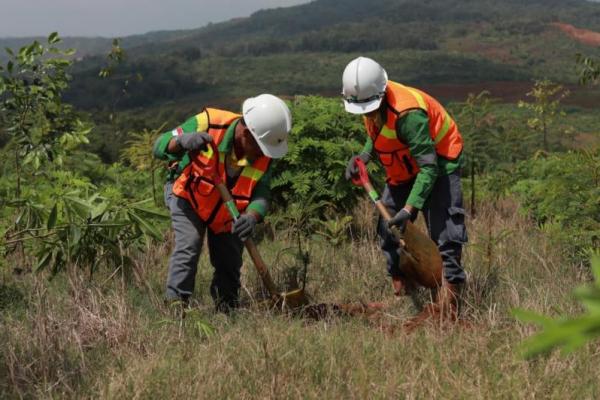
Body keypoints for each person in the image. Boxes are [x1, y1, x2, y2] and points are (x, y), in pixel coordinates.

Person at [342, 57, 468, 317]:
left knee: (446, 230)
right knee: (387, 226)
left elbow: (429, 168)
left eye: (368, 108)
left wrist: (410, 209)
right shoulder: (370, 104)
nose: (366, 114)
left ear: (381, 92)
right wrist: (364, 156)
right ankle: (403, 289)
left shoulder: (408, 113)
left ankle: (450, 302)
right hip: (404, 165)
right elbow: (377, 133)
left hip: (439, 163)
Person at [153, 94, 292, 312]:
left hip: (228, 210)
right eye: (259, 148)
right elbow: (159, 146)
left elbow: (262, 190)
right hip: (188, 196)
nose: (261, 155)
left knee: (229, 259)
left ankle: (226, 311)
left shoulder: (264, 150)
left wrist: (252, 216)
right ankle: (175, 308)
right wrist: (181, 141)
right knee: (189, 245)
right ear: (246, 133)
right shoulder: (208, 122)